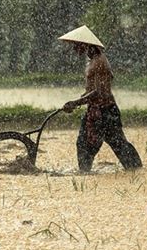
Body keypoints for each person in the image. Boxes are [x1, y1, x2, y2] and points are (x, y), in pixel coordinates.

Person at [58, 25, 142, 172]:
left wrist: (76, 103)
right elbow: (91, 90)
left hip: (105, 111)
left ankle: (85, 174)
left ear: (85, 45)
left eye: (76, 45)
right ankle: (135, 169)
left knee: (97, 144)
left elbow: (99, 92)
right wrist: (78, 101)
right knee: (115, 143)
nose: (74, 49)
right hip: (99, 110)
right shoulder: (92, 61)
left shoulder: (100, 62)